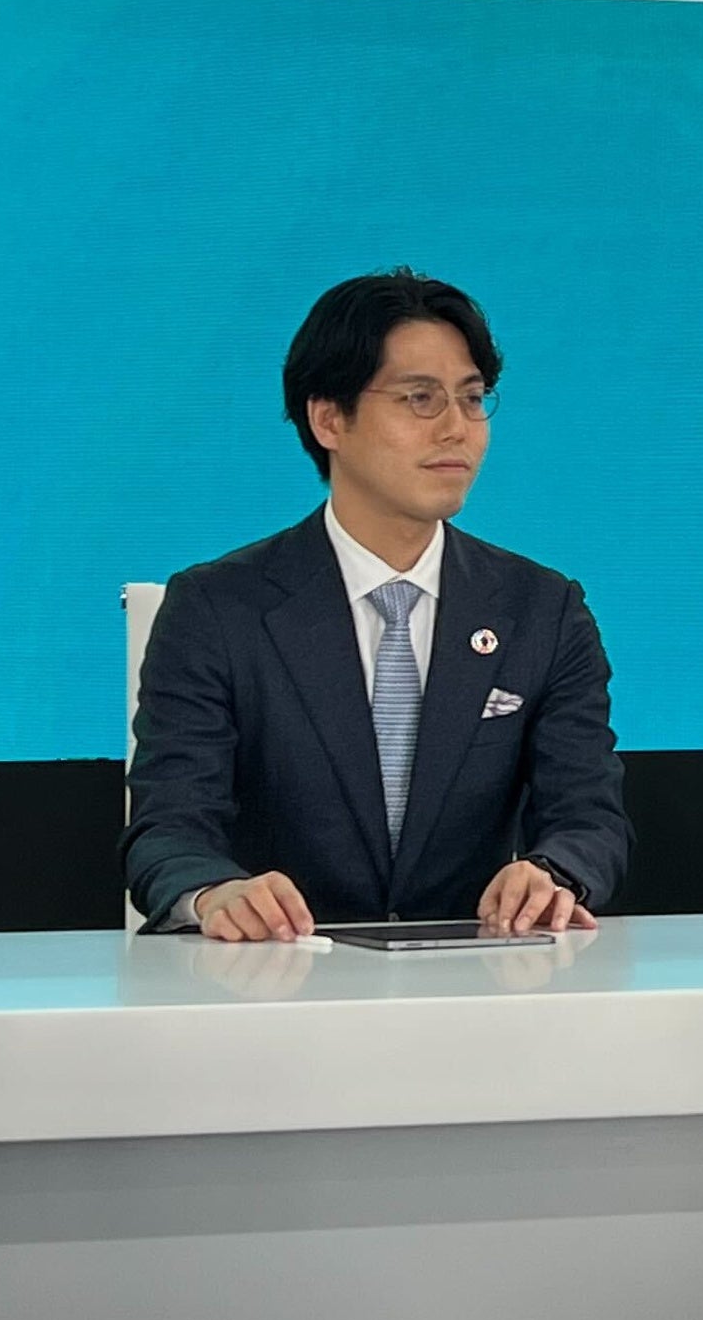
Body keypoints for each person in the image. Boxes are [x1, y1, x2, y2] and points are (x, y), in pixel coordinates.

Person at [126, 269, 628, 938]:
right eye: (420, 398)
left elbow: (589, 817)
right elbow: (167, 828)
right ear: (328, 418)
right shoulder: (217, 609)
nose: (457, 428)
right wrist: (216, 892)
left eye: (472, 399)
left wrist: (552, 871)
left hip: (474, 976)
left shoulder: (542, 609)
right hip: (274, 977)